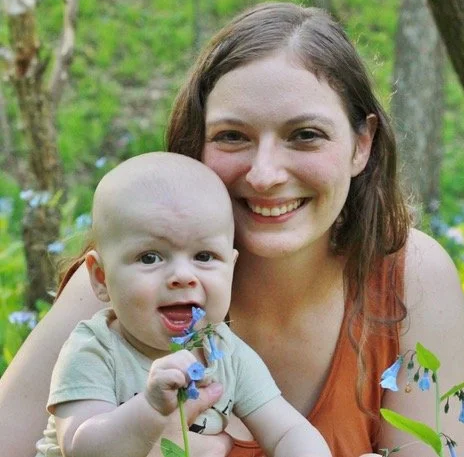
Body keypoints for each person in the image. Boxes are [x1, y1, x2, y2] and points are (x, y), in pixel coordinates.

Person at [0, 2, 464, 457]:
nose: (265, 174)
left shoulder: (409, 277)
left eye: (305, 134)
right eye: (232, 136)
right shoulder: (120, 292)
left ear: (360, 145)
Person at [34, 152, 333, 457]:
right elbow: (83, 448)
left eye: (204, 257)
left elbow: (288, 432)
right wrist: (150, 408)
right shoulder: (96, 349)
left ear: (230, 268)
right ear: (101, 278)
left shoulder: (227, 353)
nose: (182, 276)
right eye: (150, 257)